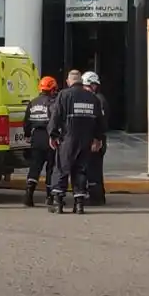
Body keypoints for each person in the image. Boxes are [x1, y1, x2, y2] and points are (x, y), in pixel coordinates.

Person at [48, 70, 107, 214]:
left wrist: (53, 135)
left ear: (69, 81)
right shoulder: (92, 98)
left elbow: (55, 116)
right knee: (81, 170)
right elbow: (100, 121)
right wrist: (98, 138)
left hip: (68, 138)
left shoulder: (64, 95)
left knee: (62, 168)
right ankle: (79, 204)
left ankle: (58, 203)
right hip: (86, 139)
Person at [22, 76, 60, 208]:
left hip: (36, 137)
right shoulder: (52, 102)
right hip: (49, 137)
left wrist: (27, 135)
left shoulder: (33, 103)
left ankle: (29, 195)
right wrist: (56, 136)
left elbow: (26, 122)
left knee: (35, 167)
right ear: (52, 88)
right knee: (51, 167)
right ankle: (49, 197)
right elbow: (54, 121)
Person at [83, 75, 109, 207]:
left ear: (93, 85)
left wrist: (96, 139)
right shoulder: (96, 99)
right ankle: (97, 195)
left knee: (94, 169)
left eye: (86, 86)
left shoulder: (98, 100)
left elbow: (100, 122)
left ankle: (96, 197)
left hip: (97, 139)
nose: (85, 89)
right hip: (95, 138)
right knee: (93, 169)